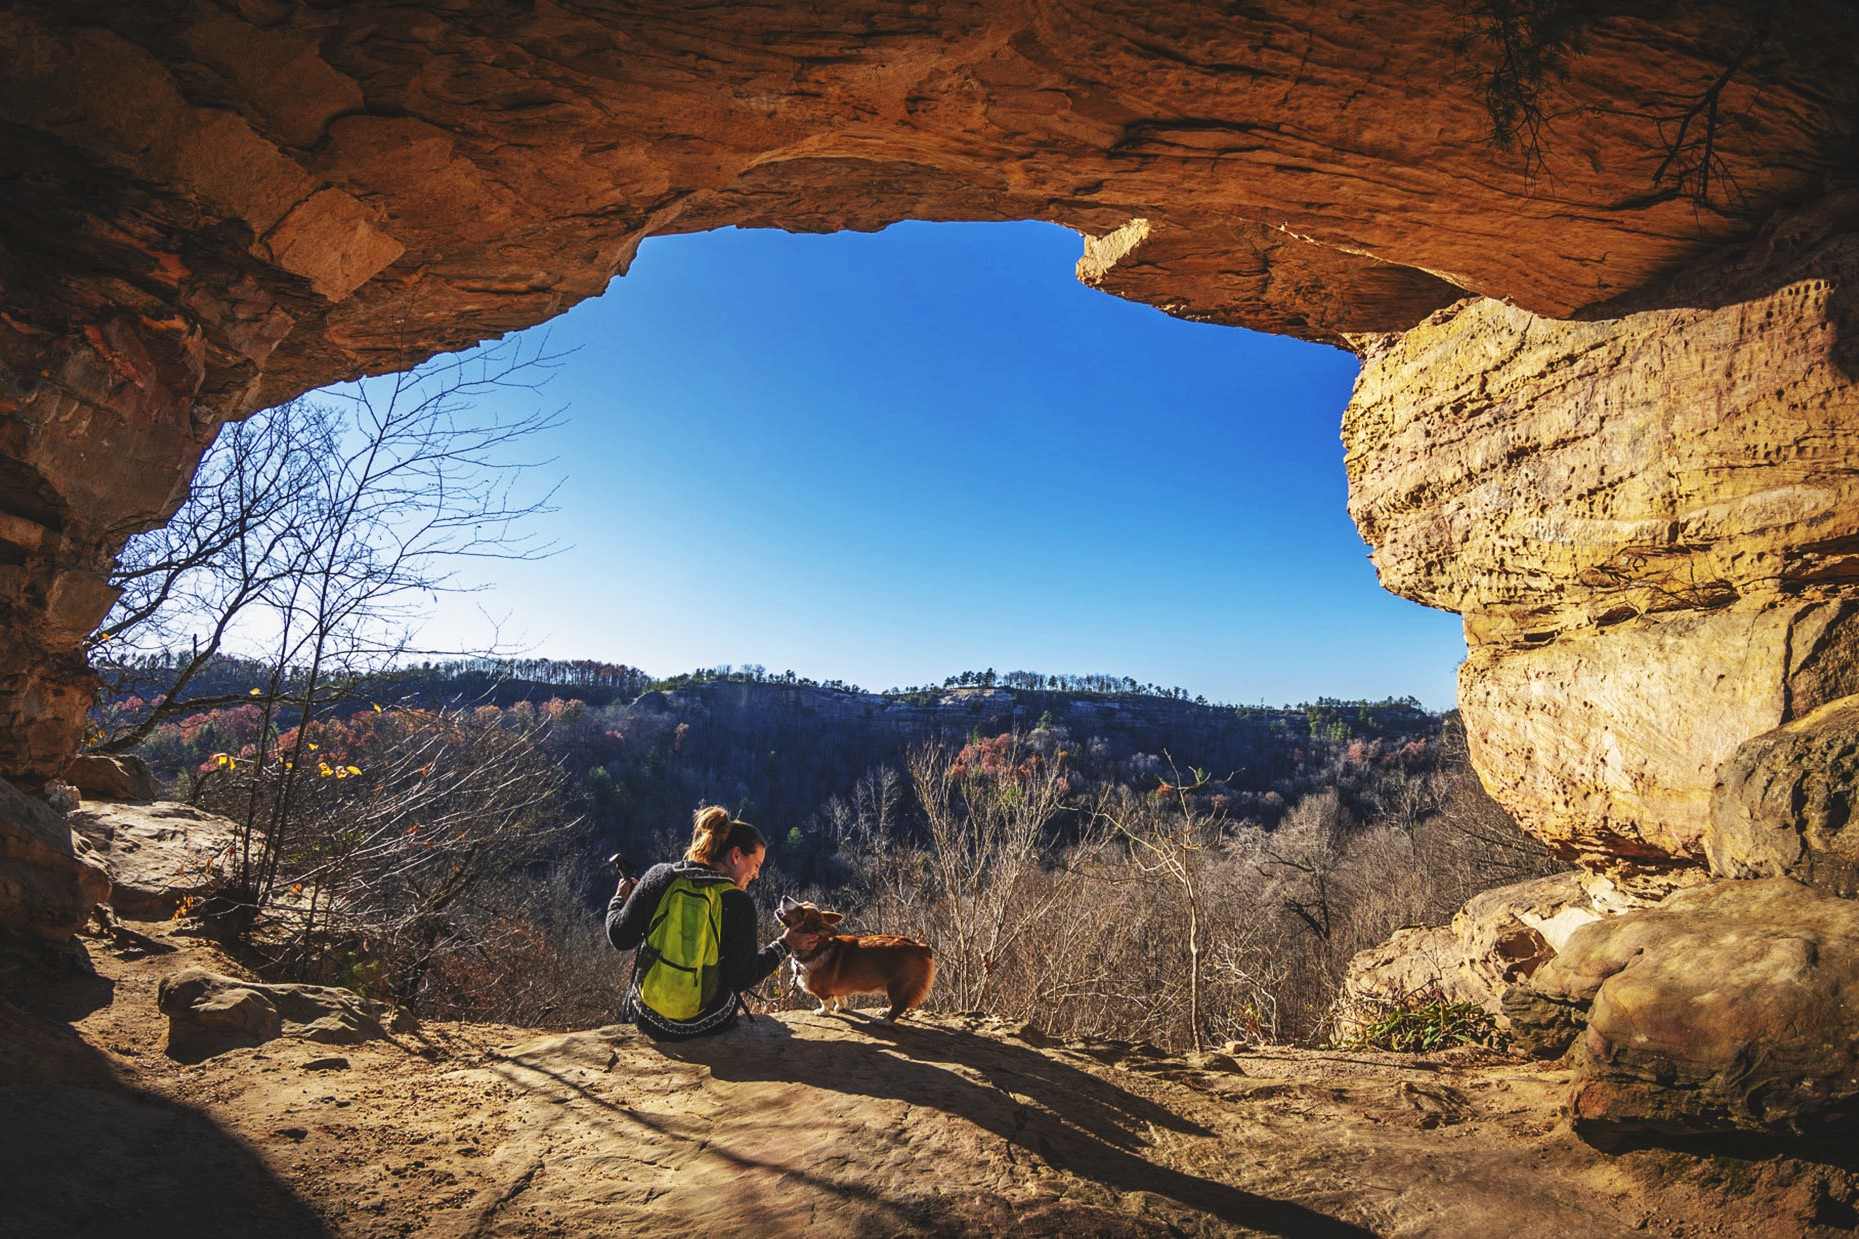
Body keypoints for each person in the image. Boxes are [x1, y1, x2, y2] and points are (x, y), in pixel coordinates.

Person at [606, 805, 795, 1039]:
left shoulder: (661, 876)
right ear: (736, 856)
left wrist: (619, 900)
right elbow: (742, 978)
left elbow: (619, 937)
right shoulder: (737, 902)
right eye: (756, 865)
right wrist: (785, 944)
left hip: (648, 1019)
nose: (756, 875)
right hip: (704, 1024)